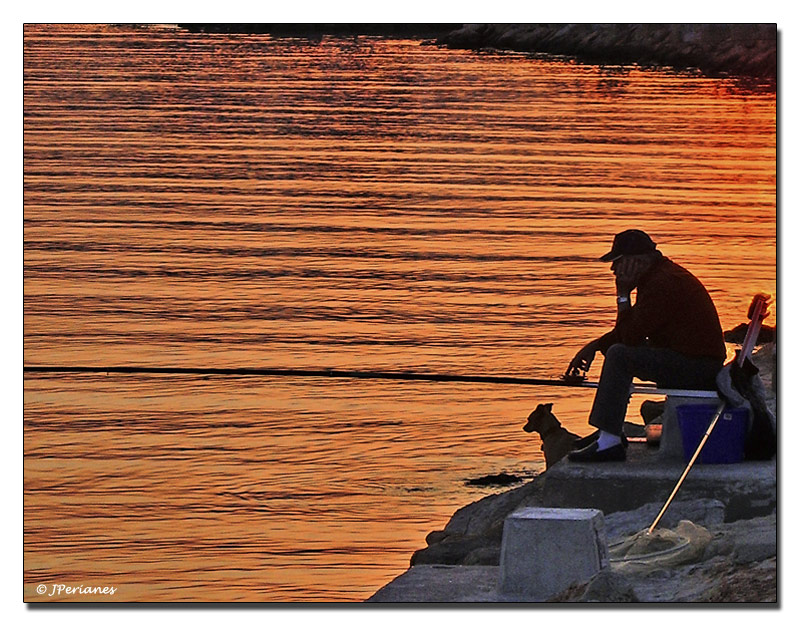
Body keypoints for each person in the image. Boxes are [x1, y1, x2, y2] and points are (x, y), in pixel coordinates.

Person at [565, 229, 726, 462]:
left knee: (620, 356)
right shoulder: (658, 276)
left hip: (698, 368)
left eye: (618, 262)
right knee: (619, 352)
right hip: (693, 360)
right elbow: (636, 329)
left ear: (636, 261)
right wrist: (596, 345)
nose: (613, 270)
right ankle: (608, 433)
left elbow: (630, 337)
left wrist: (622, 295)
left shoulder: (663, 283)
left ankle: (609, 442)